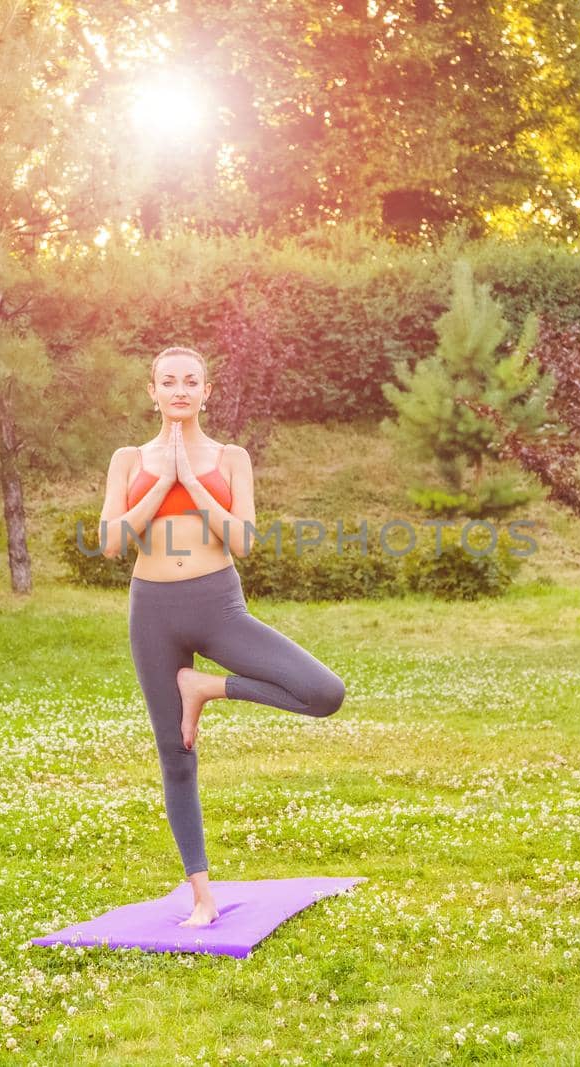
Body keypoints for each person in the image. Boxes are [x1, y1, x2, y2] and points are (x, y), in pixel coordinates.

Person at [97, 346, 347, 927]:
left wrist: (194, 481)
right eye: (168, 381)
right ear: (152, 391)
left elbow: (242, 542)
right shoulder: (128, 459)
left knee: (323, 692)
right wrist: (163, 483)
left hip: (219, 607)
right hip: (153, 611)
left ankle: (208, 687)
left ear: (207, 392)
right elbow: (111, 542)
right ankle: (202, 897)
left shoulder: (232, 457)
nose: (179, 390)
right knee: (176, 756)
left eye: (191, 381)